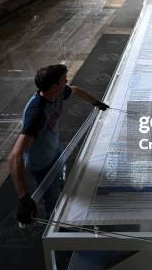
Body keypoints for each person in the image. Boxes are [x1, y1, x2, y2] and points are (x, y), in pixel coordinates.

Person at [8, 64, 109, 225]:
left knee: (60, 184)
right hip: (41, 163)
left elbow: (75, 90)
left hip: (55, 150)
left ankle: (61, 203)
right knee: (52, 197)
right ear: (54, 86)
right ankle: (55, 224)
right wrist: (23, 197)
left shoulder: (58, 93)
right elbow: (15, 155)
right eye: (64, 80)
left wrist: (96, 103)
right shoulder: (37, 112)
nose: (67, 81)